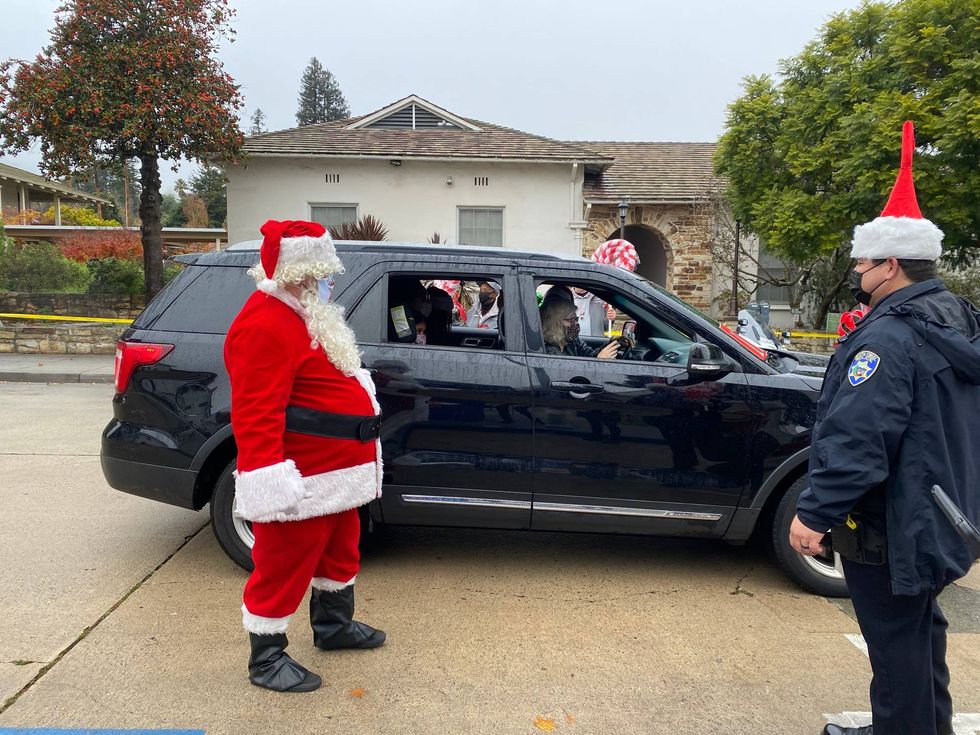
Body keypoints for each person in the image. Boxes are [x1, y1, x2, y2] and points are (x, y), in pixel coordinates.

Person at [788, 122, 980, 735]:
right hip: (941, 508)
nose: (856, 269)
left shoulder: (889, 339)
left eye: (862, 261)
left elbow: (860, 437)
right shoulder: (956, 319)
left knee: (895, 642)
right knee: (919, 634)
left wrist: (814, 512)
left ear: (891, 264)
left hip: (894, 520)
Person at [224, 219, 386, 693]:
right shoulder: (264, 323)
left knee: (341, 550)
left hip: (338, 474)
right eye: (318, 275)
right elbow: (256, 412)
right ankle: (267, 658)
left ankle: (334, 627)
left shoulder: (303, 315)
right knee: (283, 565)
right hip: (303, 477)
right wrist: (268, 480)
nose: (324, 283)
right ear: (299, 273)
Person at [540, 297, 619, 359]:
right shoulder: (548, 350)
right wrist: (599, 361)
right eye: (571, 320)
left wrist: (611, 344)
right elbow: (571, 371)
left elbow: (589, 355)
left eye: (576, 319)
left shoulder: (571, 341)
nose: (576, 323)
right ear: (555, 323)